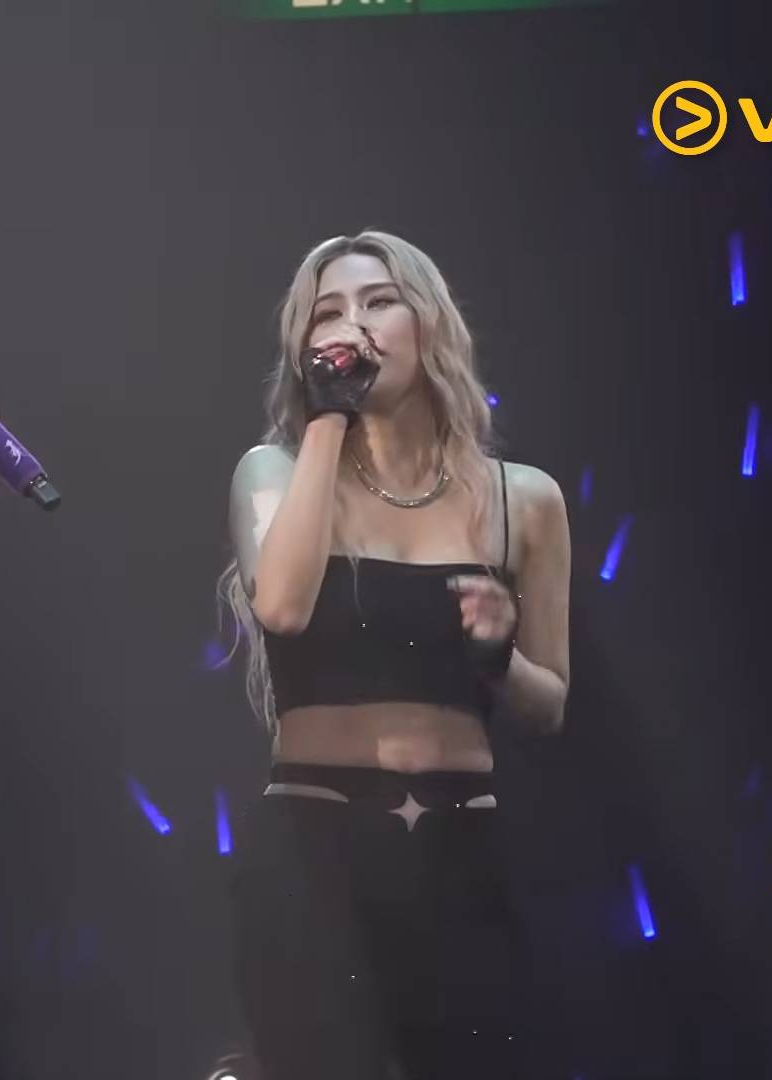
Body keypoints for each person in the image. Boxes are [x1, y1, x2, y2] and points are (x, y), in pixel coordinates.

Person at [217, 231, 572, 1079]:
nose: (354, 325)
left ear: (428, 323)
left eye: (378, 302)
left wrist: (497, 655)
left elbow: (550, 704)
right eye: (328, 313)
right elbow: (282, 606)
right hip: (316, 845)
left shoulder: (522, 499)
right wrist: (328, 420)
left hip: (459, 842)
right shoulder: (274, 473)